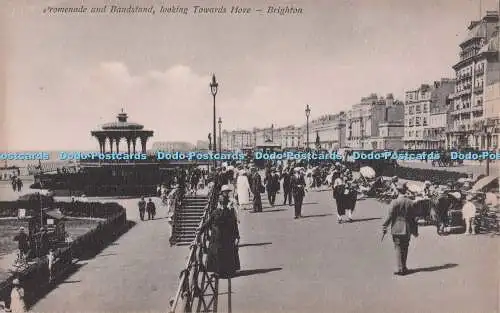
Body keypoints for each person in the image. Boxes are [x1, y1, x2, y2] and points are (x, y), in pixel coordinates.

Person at [199, 185, 240, 278]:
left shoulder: (219, 211)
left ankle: (221, 272)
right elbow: (234, 224)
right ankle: (227, 271)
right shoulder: (227, 211)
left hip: (219, 236)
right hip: (223, 236)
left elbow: (209, 222)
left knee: (219, 254)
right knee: (225, 253)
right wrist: (237, 235)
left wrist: (201, 230)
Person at [382, 185, 419, 276]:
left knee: (398, 247)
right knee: (405, 247)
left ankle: (400, 268)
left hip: (397, 227)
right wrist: (415, 230)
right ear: (405, 191)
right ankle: (404, 266)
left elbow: (390, 216)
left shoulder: (394, 202)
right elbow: (414, 217)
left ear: (398, 191)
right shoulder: (410, 202)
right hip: (407, 228)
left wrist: (384, 226)